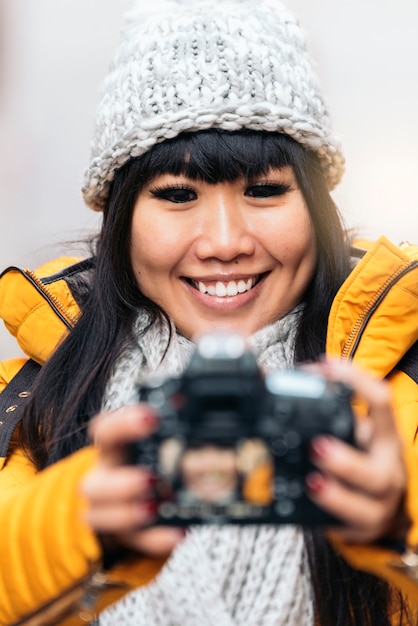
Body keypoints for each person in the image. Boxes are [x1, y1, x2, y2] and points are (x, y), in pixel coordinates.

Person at [0, 0, 417, 624]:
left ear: (317, 205)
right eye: (177, 195)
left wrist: (399, 534)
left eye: (265, 190)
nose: (224, 241)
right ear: (121, 220)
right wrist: (80, 522)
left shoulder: (398, 401)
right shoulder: (26, 406)